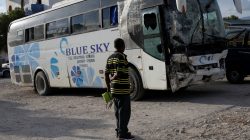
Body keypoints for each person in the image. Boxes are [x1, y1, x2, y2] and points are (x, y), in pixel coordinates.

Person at [105, 38, 135, 140]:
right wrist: (113, 78)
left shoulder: (110, 58)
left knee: (118, 113)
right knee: (125, 112)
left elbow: (106, 74)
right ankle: (123, 134)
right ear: (122, 46)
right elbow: (119, 73)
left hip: (114, 90)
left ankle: (119, 131)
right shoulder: (121, 57)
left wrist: (109, 88)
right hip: (123, 90)